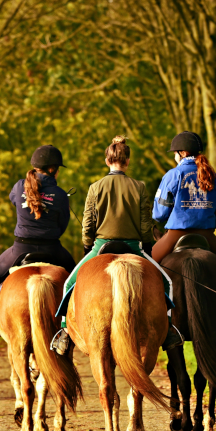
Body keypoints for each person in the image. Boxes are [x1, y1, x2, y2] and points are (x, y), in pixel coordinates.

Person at [52, 135, 182, 354]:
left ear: (107, 161)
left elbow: (88, 222)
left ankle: (64, 331)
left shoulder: (95, 187)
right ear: (127, 161)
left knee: (69, 284)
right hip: (133, 246)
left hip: (101, 245)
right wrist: (147, 246)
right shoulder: (139, 186)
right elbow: (145, 223)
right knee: (166, 281)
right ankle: (168, 328)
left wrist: (87, 245)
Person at [0, 144, 76, 335]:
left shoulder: (19, 186)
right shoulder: (60, 195)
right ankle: (72, 320)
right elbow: (63, 226)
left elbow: (13, 201)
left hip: (20, 248)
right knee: (76, 277)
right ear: (52, 170)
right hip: (53, 249)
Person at [151, 131, 216, 277]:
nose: (174, 156)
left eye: (175, 153)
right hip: (207, 234)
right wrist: (207, 222)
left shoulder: (173, 175)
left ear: (183, 153)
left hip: (175, 235)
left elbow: (159, 214)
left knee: (145, 269)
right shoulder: (214, 177)